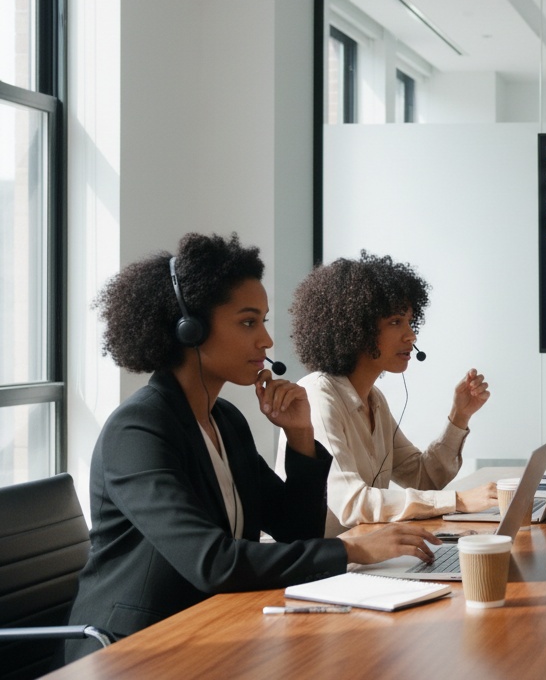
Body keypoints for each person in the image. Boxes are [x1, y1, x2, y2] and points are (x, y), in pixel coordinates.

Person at [67, 233, 436, 662]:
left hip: (211, 627)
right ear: (190, 330)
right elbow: (212, 561)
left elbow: (296, 530)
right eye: (248, 322)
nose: (266, 341)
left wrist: (300, 436)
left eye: (263, 321)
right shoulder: (139, 431)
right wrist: (353, 549)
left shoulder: (225, 420)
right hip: (134, 648)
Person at [287, 252, 497, 537]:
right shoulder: (317, 396)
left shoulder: (374, 399)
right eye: (396, 322)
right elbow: (352, 503)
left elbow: (423, 478)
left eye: (410, 321)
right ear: (356, 328)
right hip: (325, 570)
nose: (411, 335)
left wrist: (460, 416)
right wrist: (458, 501)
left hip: (365, 556)